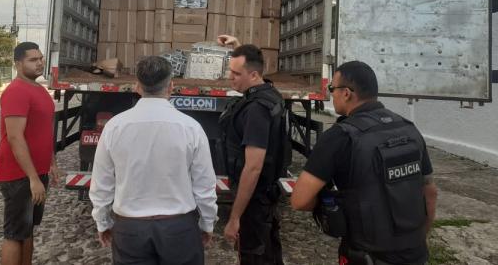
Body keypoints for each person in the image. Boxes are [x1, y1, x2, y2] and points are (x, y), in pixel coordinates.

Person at [291, 61, 438, 265]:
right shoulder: (409, 129)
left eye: (332, 88)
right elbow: (430, 192)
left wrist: (330, 205)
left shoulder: (339, 137)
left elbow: (299, 200)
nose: (330, 94)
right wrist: (419, 239)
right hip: (415, 254)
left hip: (366, 255)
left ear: (346, 93)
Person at [89, 56, 218, 265]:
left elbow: (101, 183)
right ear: (171, 87)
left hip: (130, 230)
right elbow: (204, 185)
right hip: (179, 229)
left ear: (137, 86)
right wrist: (207, 223)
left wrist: (102, 222)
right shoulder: (191, 128)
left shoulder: (114, 127)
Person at [217, 34, 287, 265]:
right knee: (269, 254)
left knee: (255, 257)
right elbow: (252, 68)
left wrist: (235, 218)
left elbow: (253, 168)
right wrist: (239, 47)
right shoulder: (268, 92)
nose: (231, 78)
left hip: (254, 204)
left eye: (236, 74)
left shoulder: (256, 110)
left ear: (254, 74)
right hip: (265, 199)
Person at [0, 42, 61, 265]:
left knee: (28, 229)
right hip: (18, 175)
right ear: (18, 64)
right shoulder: (16, 92)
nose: (40, 63)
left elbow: (43, 130)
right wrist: (32, 178)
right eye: (33, 60)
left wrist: (50, 162)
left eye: (40, 58)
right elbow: (15, 137)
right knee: (15, 234)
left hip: (36, 172)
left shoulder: (39, 90)